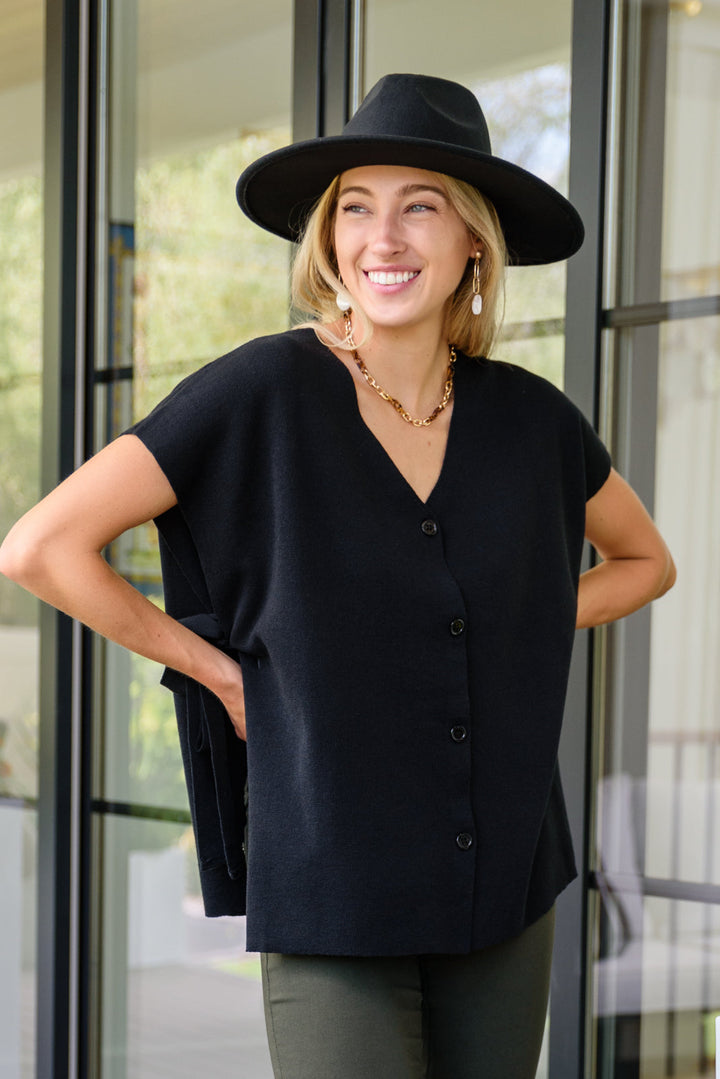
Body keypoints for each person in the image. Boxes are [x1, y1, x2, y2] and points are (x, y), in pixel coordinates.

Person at [0, 73, 675, 1078]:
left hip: (506, 875)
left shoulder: (534, 422)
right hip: (332, 882)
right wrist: (222, 673)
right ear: (328, 239)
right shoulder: (261, 391)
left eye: (420, 207)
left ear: (473, 241)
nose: (383, 237)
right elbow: (40, 548)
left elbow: (647, 562)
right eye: (356, 208)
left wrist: (519, 621)